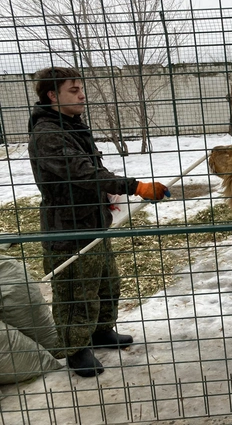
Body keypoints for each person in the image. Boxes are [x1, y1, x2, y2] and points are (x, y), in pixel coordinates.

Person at [27, 67, 170, 378]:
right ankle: (76, 350)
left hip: (92, 218)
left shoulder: (72, 125)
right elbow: (83, 172)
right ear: (53, 95)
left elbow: (93, 168)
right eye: (74, 90)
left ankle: (100, 331)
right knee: (75, 290)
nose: (82, 95)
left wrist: (108, 195)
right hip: (67, 225)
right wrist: (134, 187)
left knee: (105, 281)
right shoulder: (48, 134)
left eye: (81, 89)